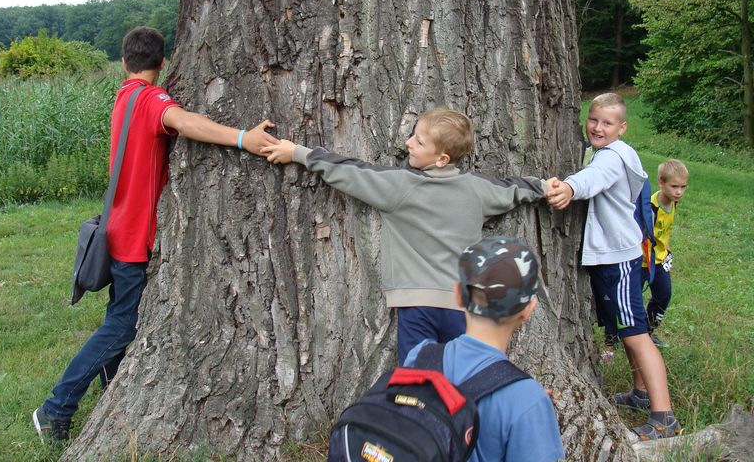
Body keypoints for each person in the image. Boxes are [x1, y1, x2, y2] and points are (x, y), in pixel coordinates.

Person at [32, 27, 278, 442]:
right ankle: (56, 408)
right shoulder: (149, 100)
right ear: (163, 63)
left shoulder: (125, 94)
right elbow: (185, 122)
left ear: (123, 61)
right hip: (131, 237)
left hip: (116, 228)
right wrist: (243, 139)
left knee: (117, 318)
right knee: (122, 326)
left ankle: (112, 394)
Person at [262, 108, 551, 363]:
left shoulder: (402, 186)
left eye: (419, 141)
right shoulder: (478, 189)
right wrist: (547, 187)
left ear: (442, 159)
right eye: (413, 135)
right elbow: (514, 189)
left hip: (418, 307)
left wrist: (298, 153)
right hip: (462, 308)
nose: (408, 143)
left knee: (416, 381)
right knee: (463, 377)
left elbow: (350, 172)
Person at [547, 93, 682, 440]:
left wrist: (569, 187)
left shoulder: (611, 158)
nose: (597, 127)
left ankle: (664, 418)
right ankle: (640, 394)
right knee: (628, 330)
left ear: (622, 127)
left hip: (618, 260)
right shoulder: (619, 153)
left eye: (607, 123)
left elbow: (594, 177)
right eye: (593, 120)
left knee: (636, 334)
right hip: (619, 256)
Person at [404, 236, 565, 462]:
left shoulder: (419, 356)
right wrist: (527, 406)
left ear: (459, 295)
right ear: (528, 310)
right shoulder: (528, 401)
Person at [641, 159, 689, 347]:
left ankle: (648, 331)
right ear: (661, 182)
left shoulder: (674, 203)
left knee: (664, 295)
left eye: (683, 187)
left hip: (660, 260)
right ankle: (622, 336)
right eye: (674, 186)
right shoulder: (650, 208)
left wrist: (667, 251)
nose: (679, 192)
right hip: (642, 262)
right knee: (632, 299)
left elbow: (665, 231)